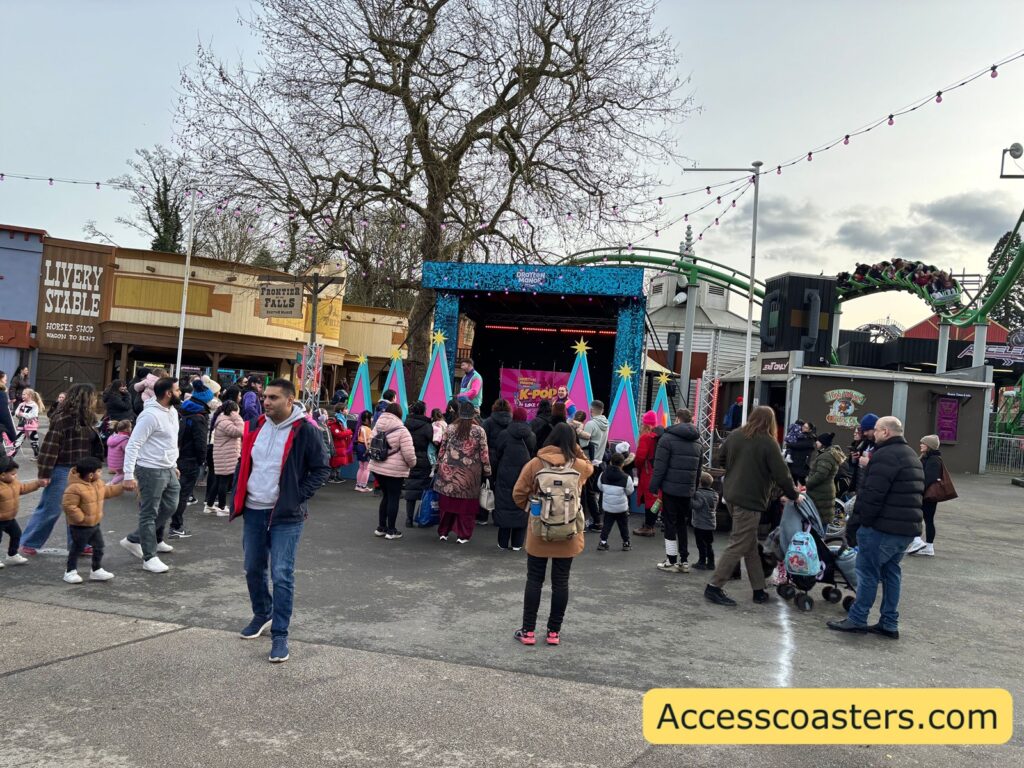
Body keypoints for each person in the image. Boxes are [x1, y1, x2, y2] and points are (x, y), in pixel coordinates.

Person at [230, 378, 330, 663]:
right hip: (253, 510)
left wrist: (297, 496)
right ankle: (262, 613)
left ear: (290, 400)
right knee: (252, 567)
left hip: (286, 514)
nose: (267, 401)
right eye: (266, 397)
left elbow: (321, 468)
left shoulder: (306, 431)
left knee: (282, 574)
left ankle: (280, 634)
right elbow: (246, 462)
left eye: (273, 397)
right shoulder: (256, 426)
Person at [828, 416, 923, 639]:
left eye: (877, 430)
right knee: (891, 573)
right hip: (906, 529)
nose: (874, 434)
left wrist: (857, 525)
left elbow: (871, 496)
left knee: (867, 573)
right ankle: (889, 622)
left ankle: (858, 618)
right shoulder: (911, 455)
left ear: (886, 432)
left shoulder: (884, 456)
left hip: (882, 528)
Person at [705, 405, 801, 607]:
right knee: (739, 543)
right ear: (771, 422)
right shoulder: (768, 442)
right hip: (750, 500)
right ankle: (714, 587)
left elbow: (719, 459)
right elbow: (782, 475)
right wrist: (794, 495)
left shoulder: (735, 435)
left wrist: (737, 469)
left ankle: (759, 589)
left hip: (731, 495)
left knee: (748, 543)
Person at [511, 423, 594, 646]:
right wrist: (575, 447)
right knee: (561, 582)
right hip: (568, 532)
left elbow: (518, 494)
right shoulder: (578, 466)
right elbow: (590, 465)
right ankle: (553, 632)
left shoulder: (535, 464)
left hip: (540, 532)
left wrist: (535, 512)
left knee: (534, 580)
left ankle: (528, 631)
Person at [19, 384, 103, 557]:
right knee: (51, 508)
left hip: (84, 470)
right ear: (85, 398)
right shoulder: (63, 418)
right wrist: (44, 474)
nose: (95, 400)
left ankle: (80, 544)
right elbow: (50, 447)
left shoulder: (89, 418)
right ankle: (29, 542)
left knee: (81, 508)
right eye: (93, 396)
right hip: (63, 468)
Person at [119, 377, 182, 574]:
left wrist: (174, 464)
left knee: (171, 505)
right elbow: (133, 444)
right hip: (150, 469)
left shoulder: (172, 411)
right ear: (168, 393)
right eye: (178, 390)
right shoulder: (150, 416)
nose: (181, 392)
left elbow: (170, 442)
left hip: (169, 468)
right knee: (149, 512)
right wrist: (128, 474)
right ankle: (149, 557)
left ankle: (135, 538)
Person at [648, 408, 702, 573]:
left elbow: (660, 466)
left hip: (670, 488)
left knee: (669, 523)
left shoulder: (667, 438)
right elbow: (699, 470)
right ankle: (684, 561)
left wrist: (654, 486)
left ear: (677, 419)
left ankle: (671, 560)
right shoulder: (698, 441)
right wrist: (694, 488)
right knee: (682, 524)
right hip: (687, 490)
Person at [435, 401, 491, 544]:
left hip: (448, 472)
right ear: (473, 414)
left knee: (447, 505)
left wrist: (438, 464)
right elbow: (484, 454)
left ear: (459, 413)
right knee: (466, 508)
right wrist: (487, 471)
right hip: (469, 475)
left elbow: (442, 449)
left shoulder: (450, 428)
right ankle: (463, 535)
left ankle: (443, 532)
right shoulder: (479, 431)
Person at [61, 456, 122, 584]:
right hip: (80, 526)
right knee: (77, 548)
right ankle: (70, 571)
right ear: (90, 475)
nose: (101, 473)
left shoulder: (98, 483)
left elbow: (107, 491)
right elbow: (69, 505)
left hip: (94, 524)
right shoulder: (74, 488)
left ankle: (96, 569)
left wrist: (122, 487)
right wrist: (80, 518)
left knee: (99, 547)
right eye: (99, 471)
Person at [169, 378, 213, 537]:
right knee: (183, 494)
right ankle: (175, 526)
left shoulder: (184, 411)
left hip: (178, 456)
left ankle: (171, 525)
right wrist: (202, 460)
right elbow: (200, 443)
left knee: (175, 492)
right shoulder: (199, 417)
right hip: (190, 459)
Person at [368, 402, 416, 539]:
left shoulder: (377, 426)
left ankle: (381, 527)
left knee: (386, 496)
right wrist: (412, 464)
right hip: (395, 470)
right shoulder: (402, 430)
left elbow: (370, 443)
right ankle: (391, 530)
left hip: (377, 467)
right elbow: (409, 454)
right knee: (393, 497)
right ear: (400, 414)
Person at [492, 406, 537, 551]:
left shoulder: (504, 434)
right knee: (522, 504)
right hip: (524, 474)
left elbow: (497, 454)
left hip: (504, 474)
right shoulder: (531, 436)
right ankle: (517, 543)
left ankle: (502, 543)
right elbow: (532, 454)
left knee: (504, 504)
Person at [906, 435, 945, 557]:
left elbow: (929, 478)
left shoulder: (934, 460)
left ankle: (924, 544)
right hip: (925, 494)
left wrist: (919, 491)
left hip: (927, 496)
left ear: (929, 446)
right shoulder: (926, 457)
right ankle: (925, 545)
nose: (921, 445)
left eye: (923, 443)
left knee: (922, 519)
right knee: (925, 519)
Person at [0, 456, 42, 568]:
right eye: (13, 474)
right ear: (2, 475)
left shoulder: (15, 483)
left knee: (16, 534)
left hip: (10, 518)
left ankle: (12, 554)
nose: (15, 476)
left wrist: (37, 483)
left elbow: (24, 488)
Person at [207, 400, 244, 516]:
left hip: (223, 455)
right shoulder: (225, 422)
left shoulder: (223, 420)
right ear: (233, 411)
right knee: (224, 481)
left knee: (219, 481)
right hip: (226, 456)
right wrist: (237, 417)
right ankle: (222, 507)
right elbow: (240, 431)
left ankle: (209, 505)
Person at [402, 401, 434, 528]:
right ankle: (421, 517)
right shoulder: (427, 426)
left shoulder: (406, 424)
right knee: (424, 490)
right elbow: (434, 440)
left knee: (410, 489)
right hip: (424, 460)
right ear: (424, 411)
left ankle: (409, 519)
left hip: (408, 458)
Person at [632, 410, 663, 537]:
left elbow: (640, 457)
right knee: (656, 499)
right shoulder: (660, 436)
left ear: (646, 424)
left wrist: (636, 465)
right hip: (658, 471)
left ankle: (648, 526)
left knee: (649, 499)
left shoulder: (646, 437)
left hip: (647, 471)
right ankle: (651, 523)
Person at [805, 432, 845, 526]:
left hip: (820, 492)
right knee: (823, 517)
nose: (816, 443)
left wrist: (808, 483)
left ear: (823, 442)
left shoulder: (826, 456)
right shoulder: (830, 454)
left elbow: (820, 475)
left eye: (818, 441)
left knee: (819, 520)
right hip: (824, 490)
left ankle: (819, 540)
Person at [581, 400, 610, 530]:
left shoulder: (591, 424)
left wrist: (578, 431)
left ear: (591, 410)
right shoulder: (606, 423)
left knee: (589, 494)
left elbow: (582, 444)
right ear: (602, 410)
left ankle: (597, 521)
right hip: (599, 461)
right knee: (593, 492)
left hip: (588, 462)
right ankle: (596, 520)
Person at [596, 452, 633, 551]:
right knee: (623, 526)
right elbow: (630, 491)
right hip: (621, 508)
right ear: (622, 464)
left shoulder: (603, 474)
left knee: (606, 525)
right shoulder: (626, 477)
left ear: (611, 462)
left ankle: (603, 542)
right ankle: (626, 543)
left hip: (608, 507)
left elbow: (600, 487)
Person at [690, 472, 719, 570]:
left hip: (700, 524)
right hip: (710, 524)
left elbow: (697, 506)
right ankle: (711, 563)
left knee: (701, 544)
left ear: (699, 482)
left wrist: (690, 499)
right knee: (709, 544)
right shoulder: (715, 494)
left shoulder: (699, 494)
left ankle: (701, 562)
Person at [326, 405, 353, 485]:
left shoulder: (342, 420)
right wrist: (349, 432)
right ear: (341, 411)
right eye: (345, 409)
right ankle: (332, 477)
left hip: (341, 444)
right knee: (335, 461)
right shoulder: (336, 421)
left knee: (339, 461)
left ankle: (337, 476)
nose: (347, 410)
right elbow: (339, 434)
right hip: (337, 444)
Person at [14, 388, 44, 458]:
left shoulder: (34, 405)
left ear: (30, 395)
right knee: (17, 441)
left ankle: (37, 456)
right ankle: (10, 457)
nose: (22, 395)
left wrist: (22, 414)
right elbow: (16, 412)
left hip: (31, 427)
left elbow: (33, 415)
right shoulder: (21, 404)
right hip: (21, 426)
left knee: (34, 442)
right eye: (22, 394)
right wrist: (18, 414)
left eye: (24, 394)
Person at [353, 410, 373, 492]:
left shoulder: (360, 427)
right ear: (367, 419)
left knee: (361, 467)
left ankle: (358, 485)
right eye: (371, 418)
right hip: (364, 448)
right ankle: (363, 486)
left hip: (359, 447)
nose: (372, 419)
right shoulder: (368, 429)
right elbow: (367, 441)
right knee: (367, 468)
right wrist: (369, 450)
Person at [0, 372, 17, 446]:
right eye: (5, 379)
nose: (6, 382)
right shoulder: (1, 394)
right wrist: (12, 434)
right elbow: (4, 416)